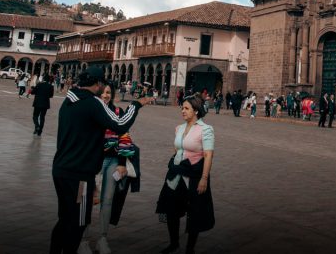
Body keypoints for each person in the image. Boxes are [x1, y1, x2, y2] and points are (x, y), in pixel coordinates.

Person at [49, 68, 151, 254]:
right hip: (80, 175)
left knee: (65, 219)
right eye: (102, 85)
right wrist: (136, 104)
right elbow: (120, 124)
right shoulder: (92, 103)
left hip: (61, 170)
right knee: (78, 223)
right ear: (97, 84)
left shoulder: (69, 101)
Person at [80, 84, 140, 254]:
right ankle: (83, 241)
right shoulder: (92, 111)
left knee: (107, 200)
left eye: (108, 93)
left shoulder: (118, 113)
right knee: (87, 200)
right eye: (103, 92)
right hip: (92, 162)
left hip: (113, 161)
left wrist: (122, 163)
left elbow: (124, 136)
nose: (105, 95)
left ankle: (102, 238)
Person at [156, 95, 215, 254]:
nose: (183, 111)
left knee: (193, 212)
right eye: (182, 108)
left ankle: (190, 248)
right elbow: (177, 149)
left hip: (194, 175)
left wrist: (204, 178)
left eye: (186, 108)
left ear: (196, 110)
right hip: (176, 173)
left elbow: (208, 155)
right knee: (171, 210)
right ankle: (174, 243)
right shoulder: (179, 128)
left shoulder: (205, 129)